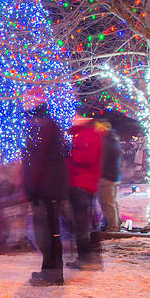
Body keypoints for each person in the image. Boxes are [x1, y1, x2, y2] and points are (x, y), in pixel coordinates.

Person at [21, 88, 68, 286]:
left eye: (26, 101)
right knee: (49, 231)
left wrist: (31, 186)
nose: (23, 104)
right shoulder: (46, 123)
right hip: (50, 185)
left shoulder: (40, 126)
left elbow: (36, 160)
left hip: (45, 187)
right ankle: (51, 270)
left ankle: (52, 273)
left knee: (46, 232)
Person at [66, 113, 104, 269]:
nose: (73, 119)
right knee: (84, 221)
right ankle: (88, 257)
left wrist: (68, 154)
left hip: (81, 183)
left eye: (76, 116)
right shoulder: (86, 134)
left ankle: (87, 258)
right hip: (85, 183)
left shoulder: (86, 135)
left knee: (81, 223)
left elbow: (84, 158)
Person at [98, 121, 123, 232]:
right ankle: (117, 223)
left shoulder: (107, 142)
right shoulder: (113, 140)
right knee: (113, 201)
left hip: (108, 176)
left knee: (107, 203)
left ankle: (113, 227)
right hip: (114, 175)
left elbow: (103, 160)